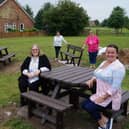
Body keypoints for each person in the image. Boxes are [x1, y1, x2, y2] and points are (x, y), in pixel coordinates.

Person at [82, 44, 125, 129]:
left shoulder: (119, 67)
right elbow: (97, 73)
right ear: (105, 53)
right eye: (108, 52)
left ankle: (103, 123)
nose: (110, 54)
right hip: (99, 92)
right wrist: (92, 79)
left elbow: (115, 87)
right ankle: (104, 119)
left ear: (117, 54)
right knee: (84, 105)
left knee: (89, 107)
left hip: (111, 97)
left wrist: (103, 97)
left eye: (112, 53)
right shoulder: (104, 62)